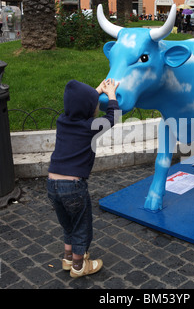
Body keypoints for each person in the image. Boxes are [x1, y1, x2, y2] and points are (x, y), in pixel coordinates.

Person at [47, 78, 120, 278]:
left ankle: (68, 258)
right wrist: (111, 94)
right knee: (81, 224)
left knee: (68, 224)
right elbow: (114, 117)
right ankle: (79, 266)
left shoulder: (62, 120)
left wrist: (96, 90)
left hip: (52, 184)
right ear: (89, 109)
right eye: (95, 105)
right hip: (73, 186)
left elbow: (78, 102)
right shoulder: (90, 126)